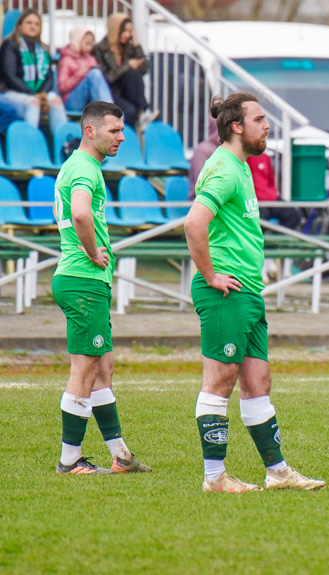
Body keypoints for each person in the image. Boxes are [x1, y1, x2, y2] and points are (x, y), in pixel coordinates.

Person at [184, 92, 326, 493]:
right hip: (226, 290)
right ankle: (215, 478)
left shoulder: (242, 166)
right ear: (237, 126)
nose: (268, 126)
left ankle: (278, 473)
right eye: (261, 119)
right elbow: (195, 224)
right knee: (220, 380)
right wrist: (211, 276)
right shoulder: (226, 169)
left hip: (247, 291)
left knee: (257, 381)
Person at [52, 101, 150, 475]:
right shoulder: (84, 169)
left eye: (122, 131)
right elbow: (80, 212)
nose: (122, 137)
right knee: (86, 368)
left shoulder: (80, 166)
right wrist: (93, 252)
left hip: (83, 282)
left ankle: (121, 455)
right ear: (90, 131)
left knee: (103, 366)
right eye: (114, 131)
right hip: (82, 281)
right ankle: (69, 460)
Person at [0, 9, 68, 133]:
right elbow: (9, 75)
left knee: (56, 101)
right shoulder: (10, 45)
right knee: (33, 103)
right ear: (20, 25)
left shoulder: (42, 48)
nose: (33, 26)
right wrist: (32, 94)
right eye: (29, 23)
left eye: (36, 24)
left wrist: (42, 94)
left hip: (38, 93)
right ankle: (29, 142)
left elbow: (48, 77)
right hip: (11, 91)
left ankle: (63, 143)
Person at [93, 13, 157, 130]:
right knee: (129, 111)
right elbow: (108, 78)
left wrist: (137, 46)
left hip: (127, 92)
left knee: (134, 73)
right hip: (110, 92)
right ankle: (128, 136)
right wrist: (127, 65)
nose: (128, 35)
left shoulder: (128, 47)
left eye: (130, 31)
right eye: (124, 31)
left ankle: (141, 113)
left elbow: (144, 69)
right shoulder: (100, 49)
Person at [57, 27, 113, 112]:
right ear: (77, 41)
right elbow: (62, 87)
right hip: (71, 101)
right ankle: (108, 111)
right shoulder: (66, 60)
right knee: (94, 74)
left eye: (91, 44)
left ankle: (108, 110)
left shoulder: (90, 59)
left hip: (88, 100)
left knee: (95, 73)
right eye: (87, 44)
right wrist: (80, 73)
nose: (90, 48)